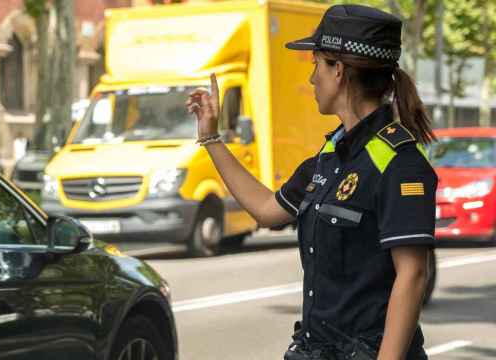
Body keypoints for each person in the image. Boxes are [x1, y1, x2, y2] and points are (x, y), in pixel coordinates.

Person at [186, 4, 436, 360]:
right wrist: (211, 140)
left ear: (339, 70)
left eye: (316, 63)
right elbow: (266, 210)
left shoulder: (401, 162)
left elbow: (412, 276)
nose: (311, 78)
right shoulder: (332, 154)